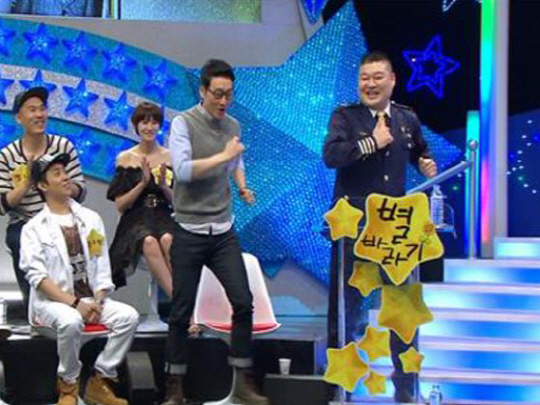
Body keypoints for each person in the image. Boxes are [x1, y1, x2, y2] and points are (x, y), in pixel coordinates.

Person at [323, 51, 437, 403]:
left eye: (377, 77)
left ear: (392, 81)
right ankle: (339, 391)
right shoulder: (345, 117)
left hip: (395, 229)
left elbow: (419, 150)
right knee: (346, 308)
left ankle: (406, 389)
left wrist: (424, 163)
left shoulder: (406, 117)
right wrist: (372, 142)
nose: (370, 84)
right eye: (364, 78)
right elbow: (331, 156)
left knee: (403, 309)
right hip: (354, 227)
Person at [162, 59, 267, 405]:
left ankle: (242, 383)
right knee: (181, 311)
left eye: (229, 95)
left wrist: (243, 185)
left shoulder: (233, 124)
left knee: (243, 302)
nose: (223, 101)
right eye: (217, 94)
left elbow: (236, 160)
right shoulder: (184, 123)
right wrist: (223, 156)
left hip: (222, 230)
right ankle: (175, 387)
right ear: (203, 91)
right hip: (189, 229)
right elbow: (183, 170)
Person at [19, 153, 139, 405]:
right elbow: (38, 279)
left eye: (65, 171)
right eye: (57, 173)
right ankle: (68, 386)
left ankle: (101, 379)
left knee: (128, 316)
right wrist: (76, 304)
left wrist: (98, 301)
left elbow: (101, 265)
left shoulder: (90, 218)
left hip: (90, 300)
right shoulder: (33, 228)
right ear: (42, 185)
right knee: (71, 320)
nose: (65, 177)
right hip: (52, 304)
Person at [0, 87, 86, 311]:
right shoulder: (7, 155)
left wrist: (60, 183)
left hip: (62, 219)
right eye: (32, 110)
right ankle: (34, 310)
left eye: (42, 109)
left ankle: (76, 304)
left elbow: (80, 190)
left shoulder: (63, 147)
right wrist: (28, 182)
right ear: (19, 117)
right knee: (19, 239)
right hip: (25, 221)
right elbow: (2, 205)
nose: (39, 115)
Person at [107, 102, 176, 296]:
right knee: (148, 242)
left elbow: (178, 203)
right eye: (144, 122)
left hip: (163, 214)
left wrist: (163, 186)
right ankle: (182, 303)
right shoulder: (126, 158)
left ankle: (184, 302)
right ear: (136, 126)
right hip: (136, 217)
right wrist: (142, 184)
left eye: (154, 122)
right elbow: (121, 205)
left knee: (168, 239)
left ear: (160, 126)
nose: (149, 127)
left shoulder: (170, 157)